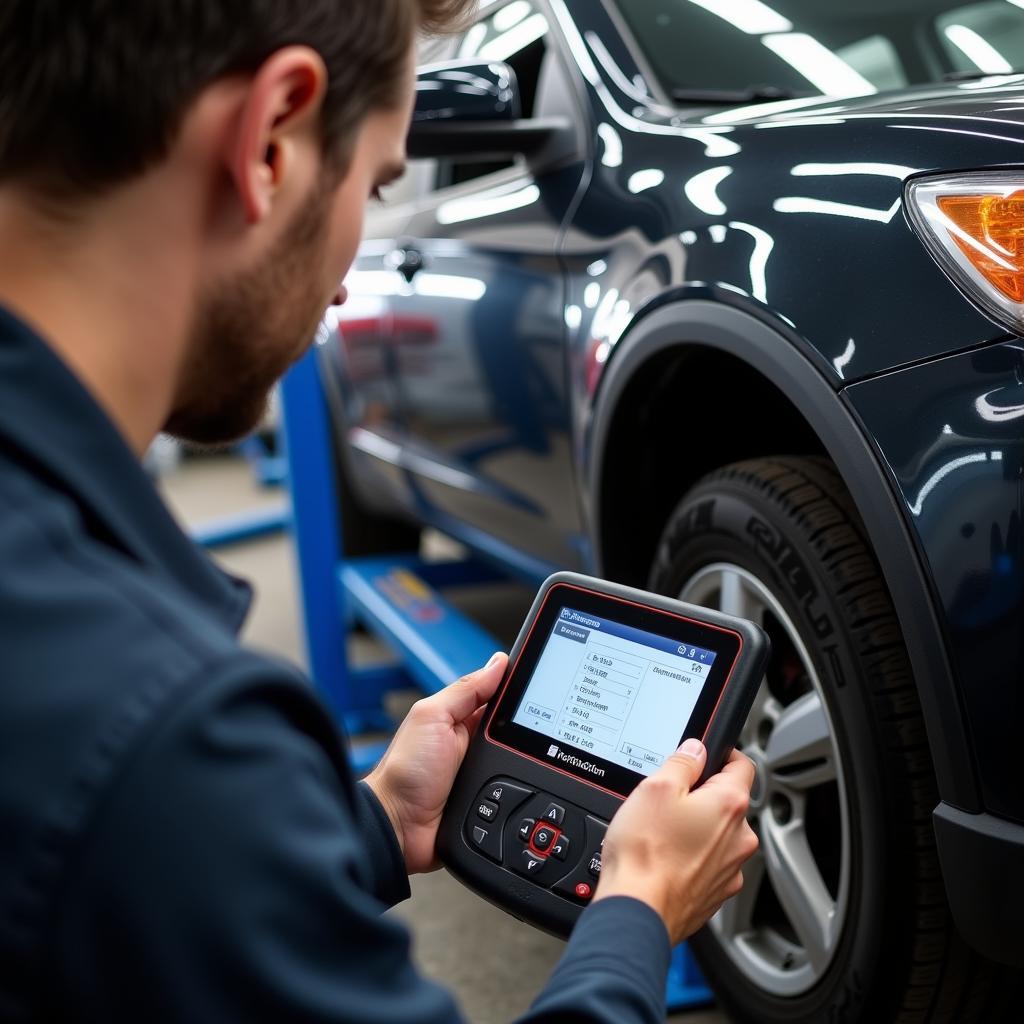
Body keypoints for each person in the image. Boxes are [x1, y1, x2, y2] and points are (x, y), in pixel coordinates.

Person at [0, 2, 759, 1021]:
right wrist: (634, 910)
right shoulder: (158, 733)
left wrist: (372, 823)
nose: (351, 274)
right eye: (377, 181)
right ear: (272, 141)